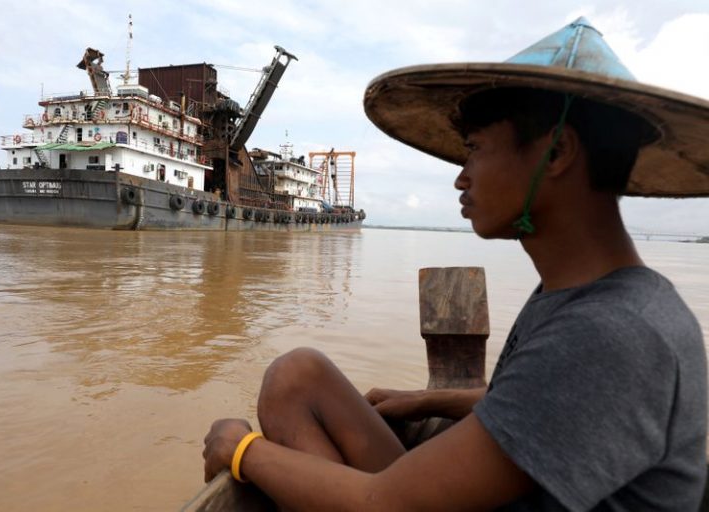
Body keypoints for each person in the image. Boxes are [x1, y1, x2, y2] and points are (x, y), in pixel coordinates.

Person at [203, 17, 708, 511]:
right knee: (298, 376)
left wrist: (243, 452)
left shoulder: (613, 333)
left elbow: (386, 503)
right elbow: (535, 401)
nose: (460, 178)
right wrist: (425, 401)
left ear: (557, 152)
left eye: (474, 150)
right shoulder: (581, 294)